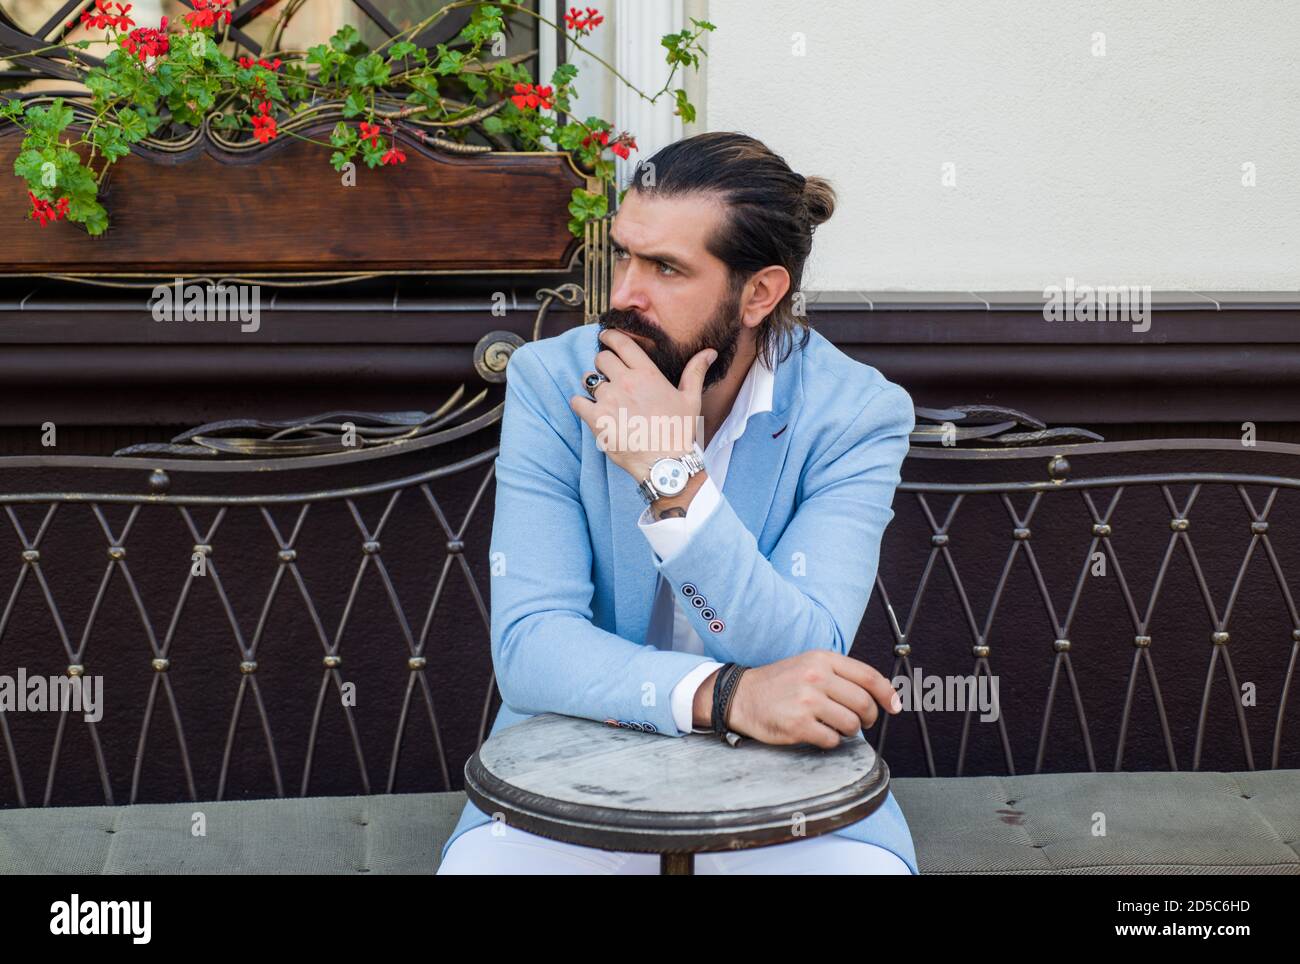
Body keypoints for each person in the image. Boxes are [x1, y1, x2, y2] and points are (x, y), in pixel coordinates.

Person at [438, 131, 917, 874]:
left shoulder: (854, 414)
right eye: (624, 254)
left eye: (665, 268)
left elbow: (806, 651)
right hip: (564, 772)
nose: (624, 293)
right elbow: (531, 649)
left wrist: (673, 477)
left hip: (784, 784)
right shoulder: (551, 381)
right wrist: (723, 696)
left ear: (759, 292)